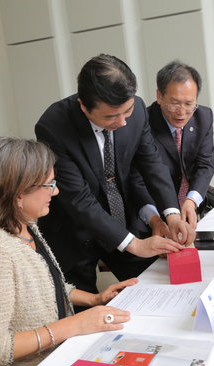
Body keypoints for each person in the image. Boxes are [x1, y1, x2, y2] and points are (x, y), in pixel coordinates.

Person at [0, 138, 138, 366]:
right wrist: (73, 325)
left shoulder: (26, 226)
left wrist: (94, 300)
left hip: (57, 358)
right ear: (18, 193)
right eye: (48, 185)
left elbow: (44, 288)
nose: (56, 191)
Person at [35, 54, 195, 296]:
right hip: (75, 230)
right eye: (110, 116)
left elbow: (151, 164)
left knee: (151, 288)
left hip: (124, 218)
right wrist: (135, 244)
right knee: (82, 310)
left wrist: (171, 214)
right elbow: (78, 198)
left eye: (126, 111)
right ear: (83, 106)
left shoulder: (139, 109)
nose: (121, 122)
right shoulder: (54, 126)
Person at [133, 61, 214, 231]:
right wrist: (156, 218)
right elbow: (137, 178)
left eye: (189, 103)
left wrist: (191, 201)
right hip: (155, 211)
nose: (182, 112)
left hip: (191, 207)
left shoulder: (204, 116)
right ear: (159, 96)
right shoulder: (142, 123)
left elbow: (205, 165)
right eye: (175, 103)